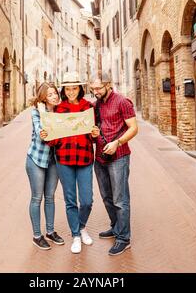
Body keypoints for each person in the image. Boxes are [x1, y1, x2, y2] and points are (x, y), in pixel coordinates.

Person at [42, 72, 98, 254]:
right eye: (68, 88)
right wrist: (47, 136)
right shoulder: (58, 110)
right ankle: (76, 234)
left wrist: (95, 134)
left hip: (85, 158)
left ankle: (81, 226)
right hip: (64, 159)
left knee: (87, 200)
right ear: (63, 90)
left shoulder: (88, 107)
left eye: (74, 88)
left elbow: (93, 136)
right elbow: (53, 139)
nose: (71, 92)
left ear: (80, 89)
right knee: (70, 200)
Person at [90, 73, 138, 256]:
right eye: (93, 89)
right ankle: (116, 227)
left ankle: (124, 239)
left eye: (98, 88)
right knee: (107, 197)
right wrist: (94, 134)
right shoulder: (96, 105)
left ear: (108, 85)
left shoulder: (122, 102)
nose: (95, 92)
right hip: (100, 158)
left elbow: (134, 128)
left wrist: (117, 142)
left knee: (120, 199)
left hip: (119, 157)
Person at [26, 82, 64, 250]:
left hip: (53, 160)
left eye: (55, 93)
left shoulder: (61, 111)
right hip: (36, 160)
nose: (54, 96)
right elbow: (44, 134)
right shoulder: (36, 112)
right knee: (37, 198)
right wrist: (42, 113)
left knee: (50, 197)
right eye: (49, 94)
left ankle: (50, 231)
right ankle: (37, 235)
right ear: (43, 98)